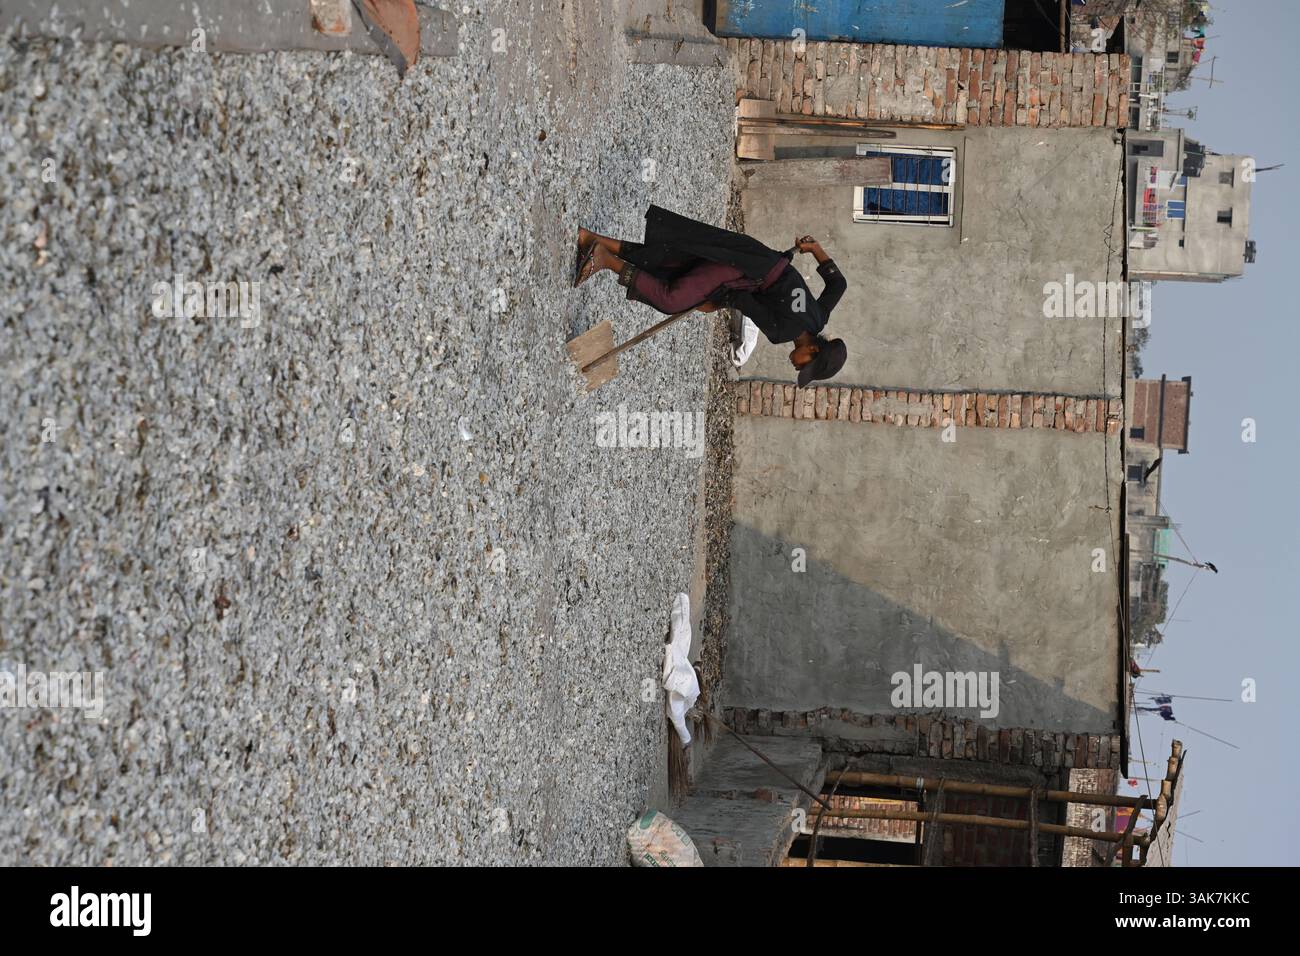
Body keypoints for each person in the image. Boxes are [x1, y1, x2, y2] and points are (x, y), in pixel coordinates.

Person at [574, 204, 849, 387]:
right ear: (812, 349)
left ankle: (591, 240)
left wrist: (816, 250)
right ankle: (603, 259)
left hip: (754, 255)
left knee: (671, 265)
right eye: (805, 366)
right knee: (672, 298)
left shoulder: (818, 316)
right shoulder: (782, 332)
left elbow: (838, 285)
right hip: (739, 270)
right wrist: (713, 304)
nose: (797, 367)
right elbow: (741, 300)